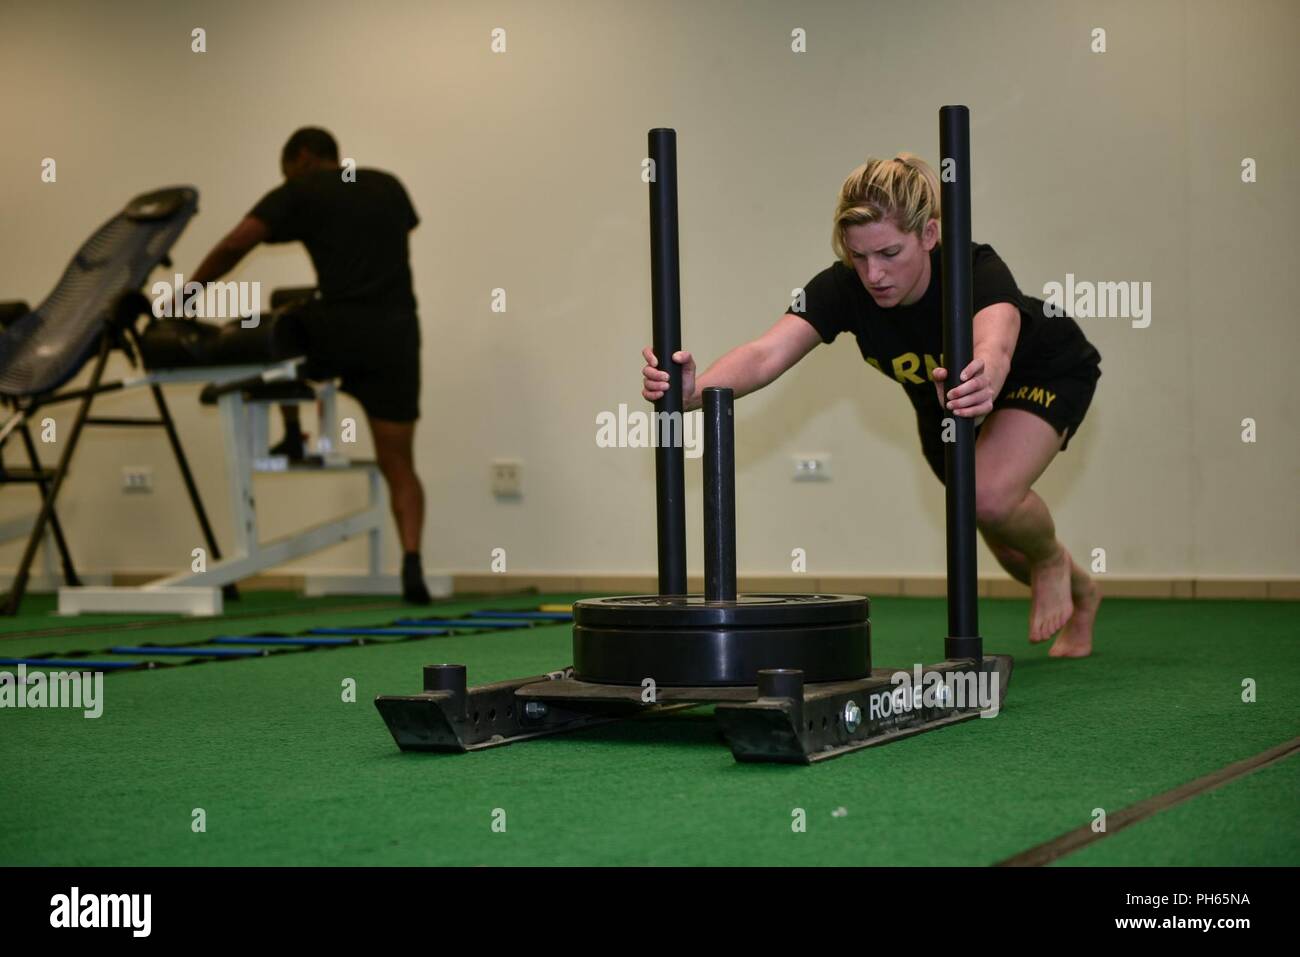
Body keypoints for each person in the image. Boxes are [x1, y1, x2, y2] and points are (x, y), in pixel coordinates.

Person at [641, 154, 1102, 656]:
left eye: (888, 253)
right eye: (859, 257)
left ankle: (1053, 561)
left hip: (1037, 371)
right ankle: (1082, 590)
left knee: (989, 496)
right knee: (1005, 539)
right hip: (944, 405)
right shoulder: (843, 288)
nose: (873, 274)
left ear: (929, 234)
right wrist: (695, 391)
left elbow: (998, 337)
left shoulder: (973, 267)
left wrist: (986, 372)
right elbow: (765, 352)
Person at [187, 126, 432, 604]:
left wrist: (187, 294)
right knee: (399, 463)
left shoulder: (301, 188)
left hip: (338, 331)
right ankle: (412, 565)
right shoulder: (388, 184)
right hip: (397, 334)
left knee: (274, 331)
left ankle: (295, 428)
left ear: (299, 158)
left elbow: (237, 244)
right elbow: (390, 234)